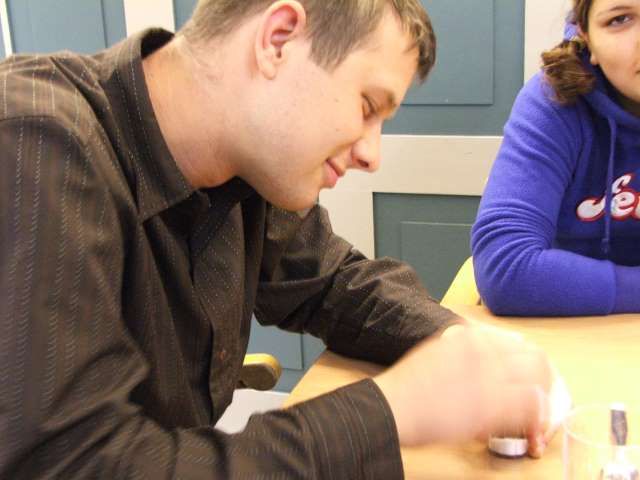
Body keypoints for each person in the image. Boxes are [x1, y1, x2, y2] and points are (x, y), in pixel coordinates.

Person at [0, 1, 552, 478]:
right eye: (367, 106)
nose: (372, 155)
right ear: (278, 40)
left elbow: (333, 283)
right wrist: (394, 410)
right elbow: (76, 464)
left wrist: (465, 350)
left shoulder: (244, 170)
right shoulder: (34, 146)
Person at [472, 0, 640, 317]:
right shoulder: (554, 100)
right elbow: (506, 266)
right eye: (619, 19)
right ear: (586, 36)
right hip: (572, 329)